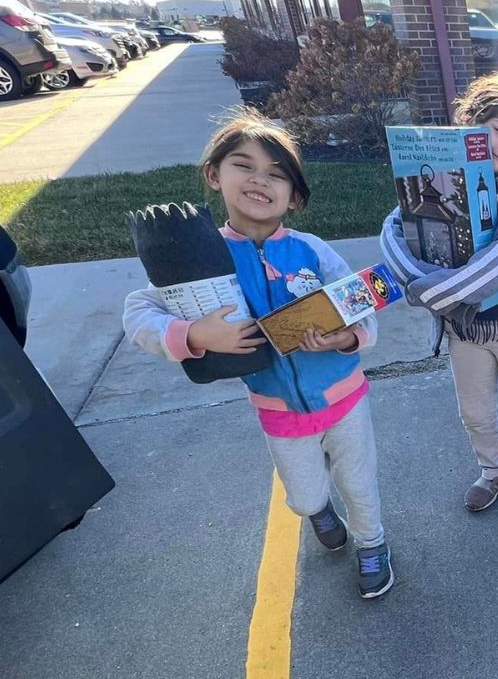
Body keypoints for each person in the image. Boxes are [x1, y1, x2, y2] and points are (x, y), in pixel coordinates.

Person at [124, 111, 392, 599]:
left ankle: (372, 543)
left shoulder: (313, 251)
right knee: (306, 495)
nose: (259, 180)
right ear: (214, 174)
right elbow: (138, 313)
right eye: (243, 165)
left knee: (359, 482)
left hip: (345, 398)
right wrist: (194, 334)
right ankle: (319, 512)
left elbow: (361, 308)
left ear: (295, 196)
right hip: (278, 411)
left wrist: (347, 338)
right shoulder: (199, 257)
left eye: (276, 173)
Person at [379, 71, 498, 522]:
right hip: (464, 332)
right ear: (469, 126)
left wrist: (427, 292)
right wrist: (429, 289)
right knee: (476, 412)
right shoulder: (441, 179)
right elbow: (394, 235)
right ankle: (496, 470)